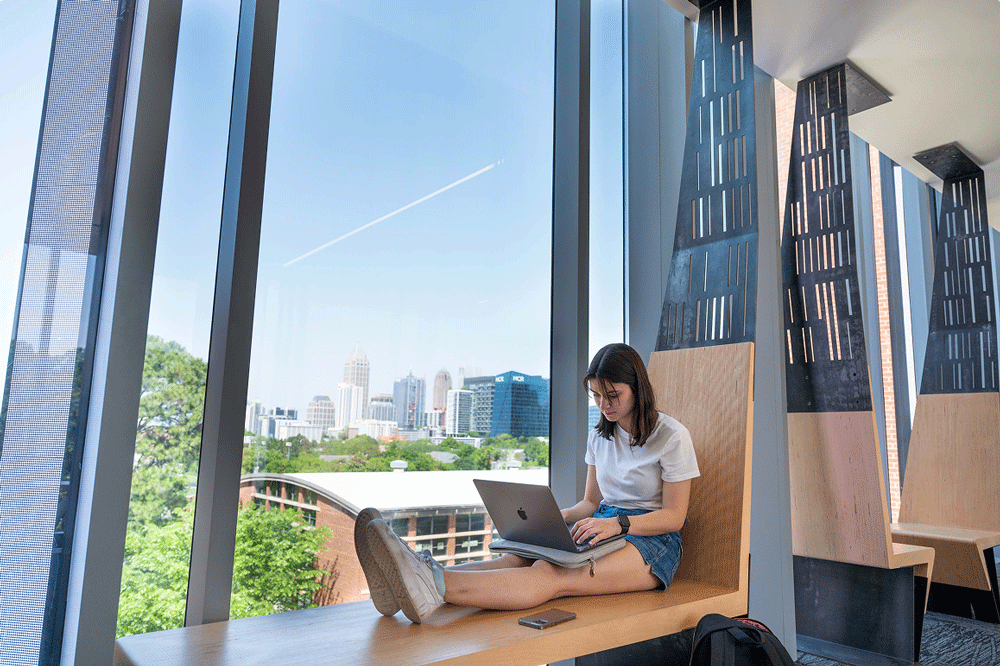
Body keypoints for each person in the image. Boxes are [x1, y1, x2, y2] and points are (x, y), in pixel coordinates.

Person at [354, 342, 700, 623]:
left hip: (653, 543)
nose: (603, 405)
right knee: (518, 557)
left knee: (552, 574)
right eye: (596, 395)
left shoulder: (671, 436)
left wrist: (618, 524)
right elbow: (590, 505)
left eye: (612, 395)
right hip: (602, 524)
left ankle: (431, 584)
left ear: (637, 388)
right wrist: (549, 519)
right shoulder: (600, 436)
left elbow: (673, 516)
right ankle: (414, 580)